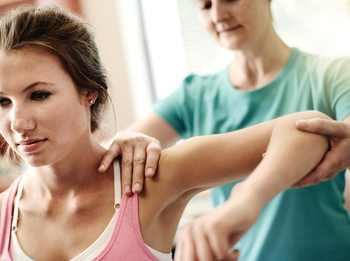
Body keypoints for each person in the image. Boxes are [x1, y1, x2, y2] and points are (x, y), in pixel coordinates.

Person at [0, 5, 332, 261]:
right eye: (2, 101)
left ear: (89, 92)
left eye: (39, 95)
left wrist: (241, 206)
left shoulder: (149, 180)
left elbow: (307, 130)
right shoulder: (4, 213)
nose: (17, 122)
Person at [95, 0, 350, 260]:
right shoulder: (194, 95)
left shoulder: (332, 75)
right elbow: (106, 154)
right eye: (205, 6)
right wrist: (126, 138)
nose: (218, 15)